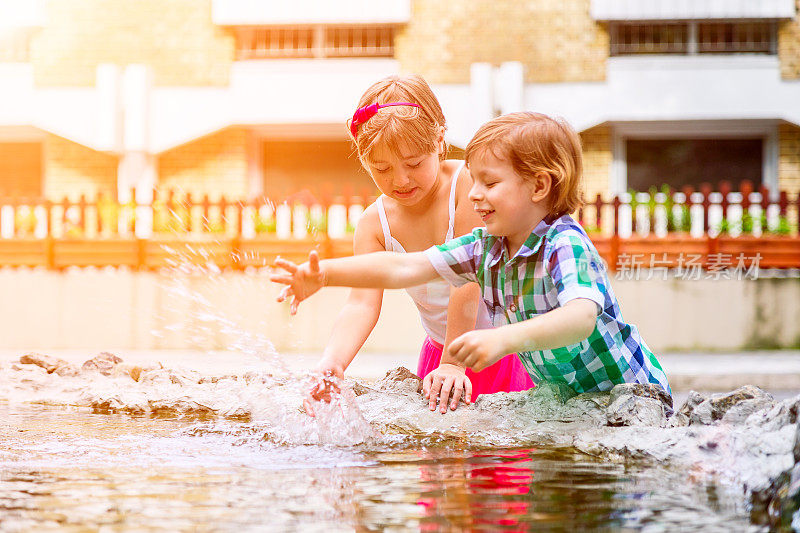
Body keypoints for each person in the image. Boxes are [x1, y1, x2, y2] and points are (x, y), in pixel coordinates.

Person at [271, 111, 670, 396]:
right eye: (473, 180)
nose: (474, 193)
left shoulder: (565, 244)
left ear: (539, 186)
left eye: (489, 182)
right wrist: (324, 274)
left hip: (630, 397)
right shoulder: (486, 248)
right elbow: (404, 267)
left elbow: (580, 318)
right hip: (569, 399)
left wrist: (503, 340)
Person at [298, 75, 533, 415]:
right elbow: (362, 304)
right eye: (382, 169)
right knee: (441, 462)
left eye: (413, 164)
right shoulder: (374, 224)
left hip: (500, 353)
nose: (400, 180)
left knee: (507, 459)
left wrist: (455, 363)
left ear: (439, 141)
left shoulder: (468, 187)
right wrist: (332, 363)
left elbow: (467, 281)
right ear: (365, 163)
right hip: (439, 359)